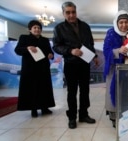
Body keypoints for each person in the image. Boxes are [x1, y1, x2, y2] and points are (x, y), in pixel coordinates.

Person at [52, 1, 99, 129]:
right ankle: (72, 117)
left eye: (73, 12)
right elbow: (56, 46)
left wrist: (94, 56)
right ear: (63, 13)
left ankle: (84, 114)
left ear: (76, 12)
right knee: (72, 92)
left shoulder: (85, 26)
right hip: (70, 64)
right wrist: (70, 51)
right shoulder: (59, 28)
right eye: (68, 12)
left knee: (85, 90)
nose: (71, 15)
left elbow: (90, 43)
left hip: (84, 63)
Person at [14, 20, 55, 118]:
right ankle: (34, 109)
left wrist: (51, 55)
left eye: (39, 28)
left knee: (44, 88)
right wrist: (27, 48)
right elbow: (17, 50)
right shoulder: (24, 38)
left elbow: (50, 52)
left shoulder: (45, 40)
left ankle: (44, 107)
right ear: (30, 29)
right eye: (35, 28)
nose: (37, 29)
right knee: (32, 88)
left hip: (43, 68)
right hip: (30, 68)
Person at [103, 10, 128, 128]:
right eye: (121, 22)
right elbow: (106, 51)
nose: (124, 25)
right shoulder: (111, 33)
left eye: (126, 22)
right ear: (117, 23)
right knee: (114, 92)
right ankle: (114, 117)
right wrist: (118, 51)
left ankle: (127, 116)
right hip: (114, 69)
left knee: (126, 93)